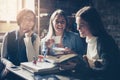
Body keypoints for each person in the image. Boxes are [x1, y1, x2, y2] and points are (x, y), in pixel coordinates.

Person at [75, 6, 120, 80]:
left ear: (92, 24)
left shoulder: (105, 41)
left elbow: (108, 71)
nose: (78, 28)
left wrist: (84, 69)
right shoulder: (88, 38)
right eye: (77, 24)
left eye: (82, 25)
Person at [1, 9, 40, 79]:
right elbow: (3, 57)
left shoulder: (35, 38)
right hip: (10, 71)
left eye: (32, 20)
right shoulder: (8, 35)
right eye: (27, 18)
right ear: (20, 19)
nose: (30, 22)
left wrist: (28, 39)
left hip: (27, 74)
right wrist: (8, 64)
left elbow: (33, 61)